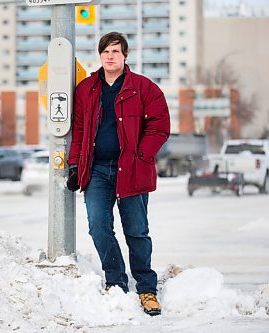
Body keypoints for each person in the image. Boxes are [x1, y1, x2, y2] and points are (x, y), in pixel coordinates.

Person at [66, 32, 170, 316]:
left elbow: (160, 126)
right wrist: (75, 165)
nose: (110, 56)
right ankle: (117, 283)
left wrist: (142, 155)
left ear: (125, 55)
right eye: (105, 51)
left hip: (132, 169)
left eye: (115, 51)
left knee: (136, 231)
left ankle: (147, 289)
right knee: (98, 227)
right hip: (97, 170)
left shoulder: (144, 88)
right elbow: (79, 131)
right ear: (100, 55)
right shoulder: (86, 89)